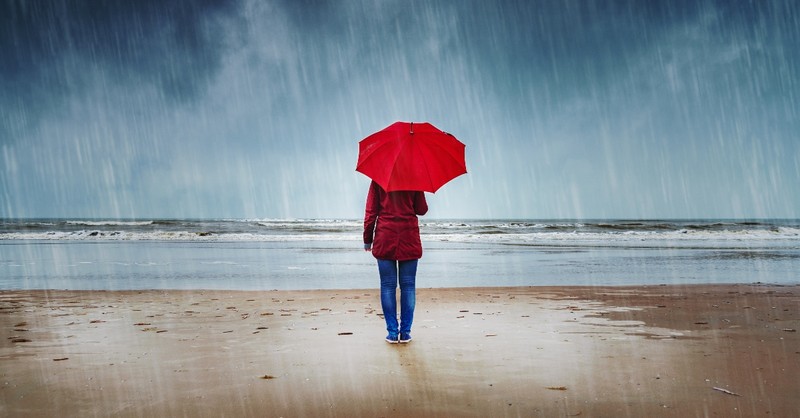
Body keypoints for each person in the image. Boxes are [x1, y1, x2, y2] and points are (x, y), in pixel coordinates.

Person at [363, 180, 428, 344]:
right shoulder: (414, 178)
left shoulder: (379, 178)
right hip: (409, 236)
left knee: (387, 285)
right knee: (408, 285)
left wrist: (367, 239)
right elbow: (422, 210)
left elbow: (371, 212)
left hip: (385, 236)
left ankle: (392, 333)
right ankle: (405, 333)